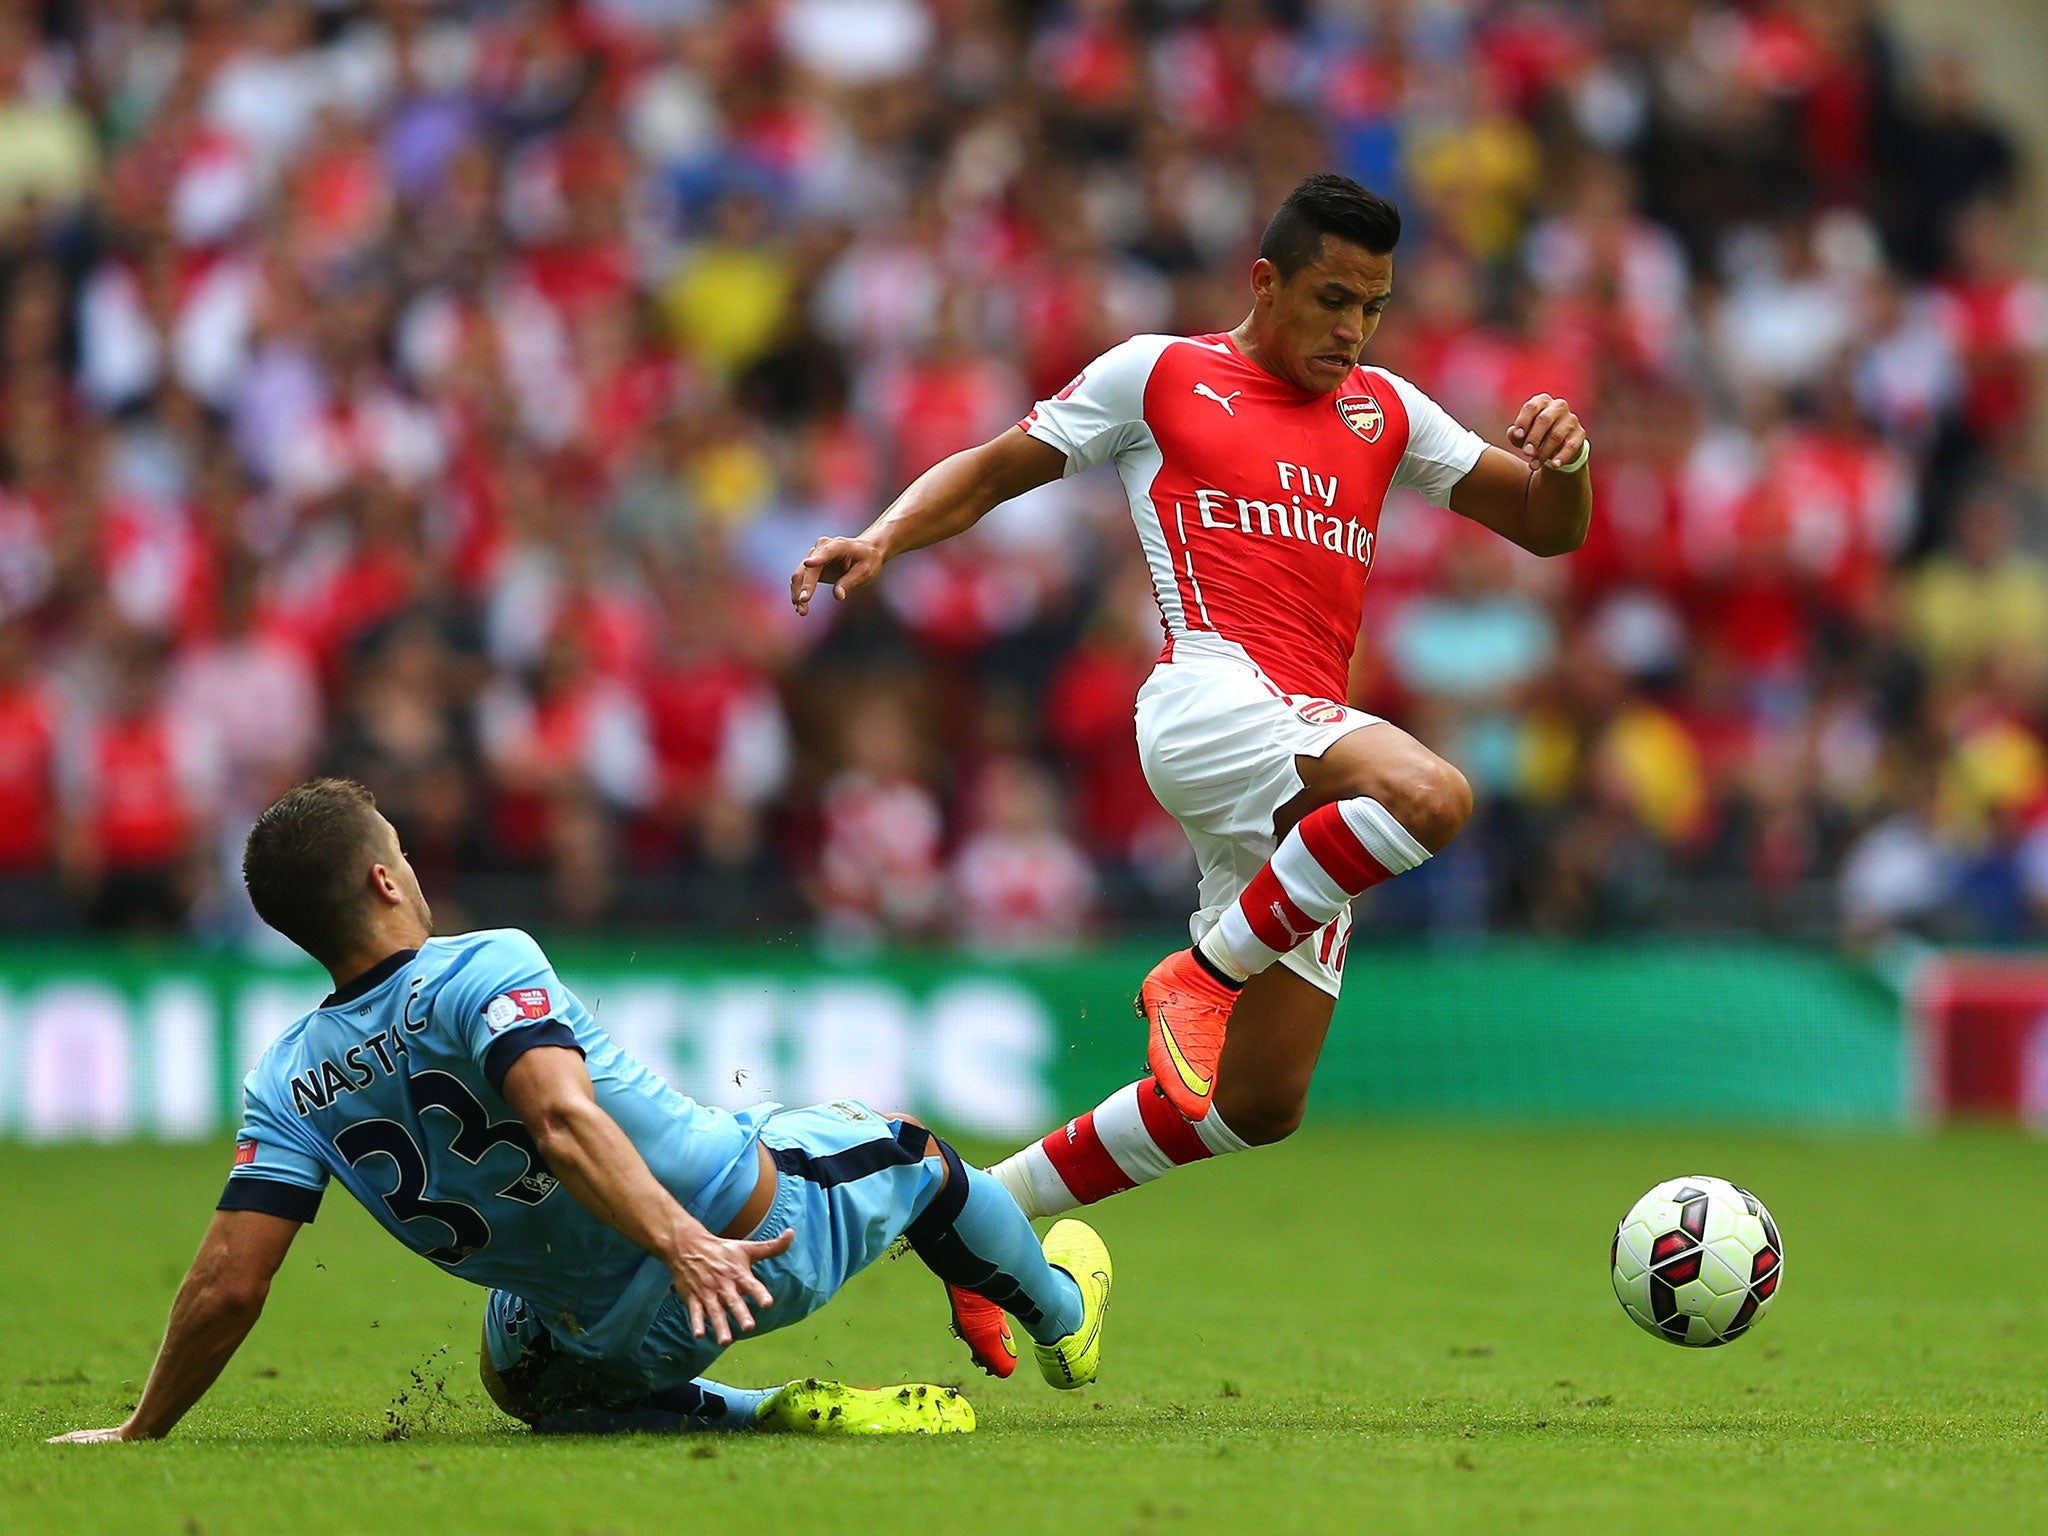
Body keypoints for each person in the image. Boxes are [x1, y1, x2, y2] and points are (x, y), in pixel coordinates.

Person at [791, 173, 1588, 1362]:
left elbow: (1544, 525)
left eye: (1370, 306)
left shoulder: (1386, 412)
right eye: (1329, 298)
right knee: (1430, 794)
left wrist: (1567, 461)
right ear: (1263, 281)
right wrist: (885, 534)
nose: (1349, 329)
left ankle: (975, 1223)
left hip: (1300, 751)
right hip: (1210, 698)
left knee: (1252, 1104)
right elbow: (996, 466)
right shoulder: (1158, 374)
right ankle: (1200, 976)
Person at [49, 778, 1112, 1443]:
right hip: (742, 1249)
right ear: (382, 879)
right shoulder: (483, 964)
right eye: (405, 857)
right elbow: (557, 1121)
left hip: (590, 1345)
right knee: (909, 1152)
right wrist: (681, 1243)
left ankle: (771, 1415)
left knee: (510, 1373)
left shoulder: (284, 1079)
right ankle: (1065, 1323)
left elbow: (230, 1283)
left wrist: (146, 1427)